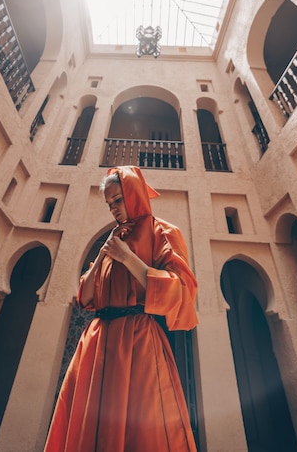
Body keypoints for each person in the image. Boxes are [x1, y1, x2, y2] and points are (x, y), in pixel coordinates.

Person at [44, 166, 198, 452]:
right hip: (96, 342)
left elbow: (182, 290)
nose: (113, 209)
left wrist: (128, 259)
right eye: (109, 204)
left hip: (137, 340)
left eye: (118, 200)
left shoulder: (163, 232)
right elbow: (86, 298)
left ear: (133, 194)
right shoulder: (112, 240)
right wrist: (103, 254)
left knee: (139, 427)